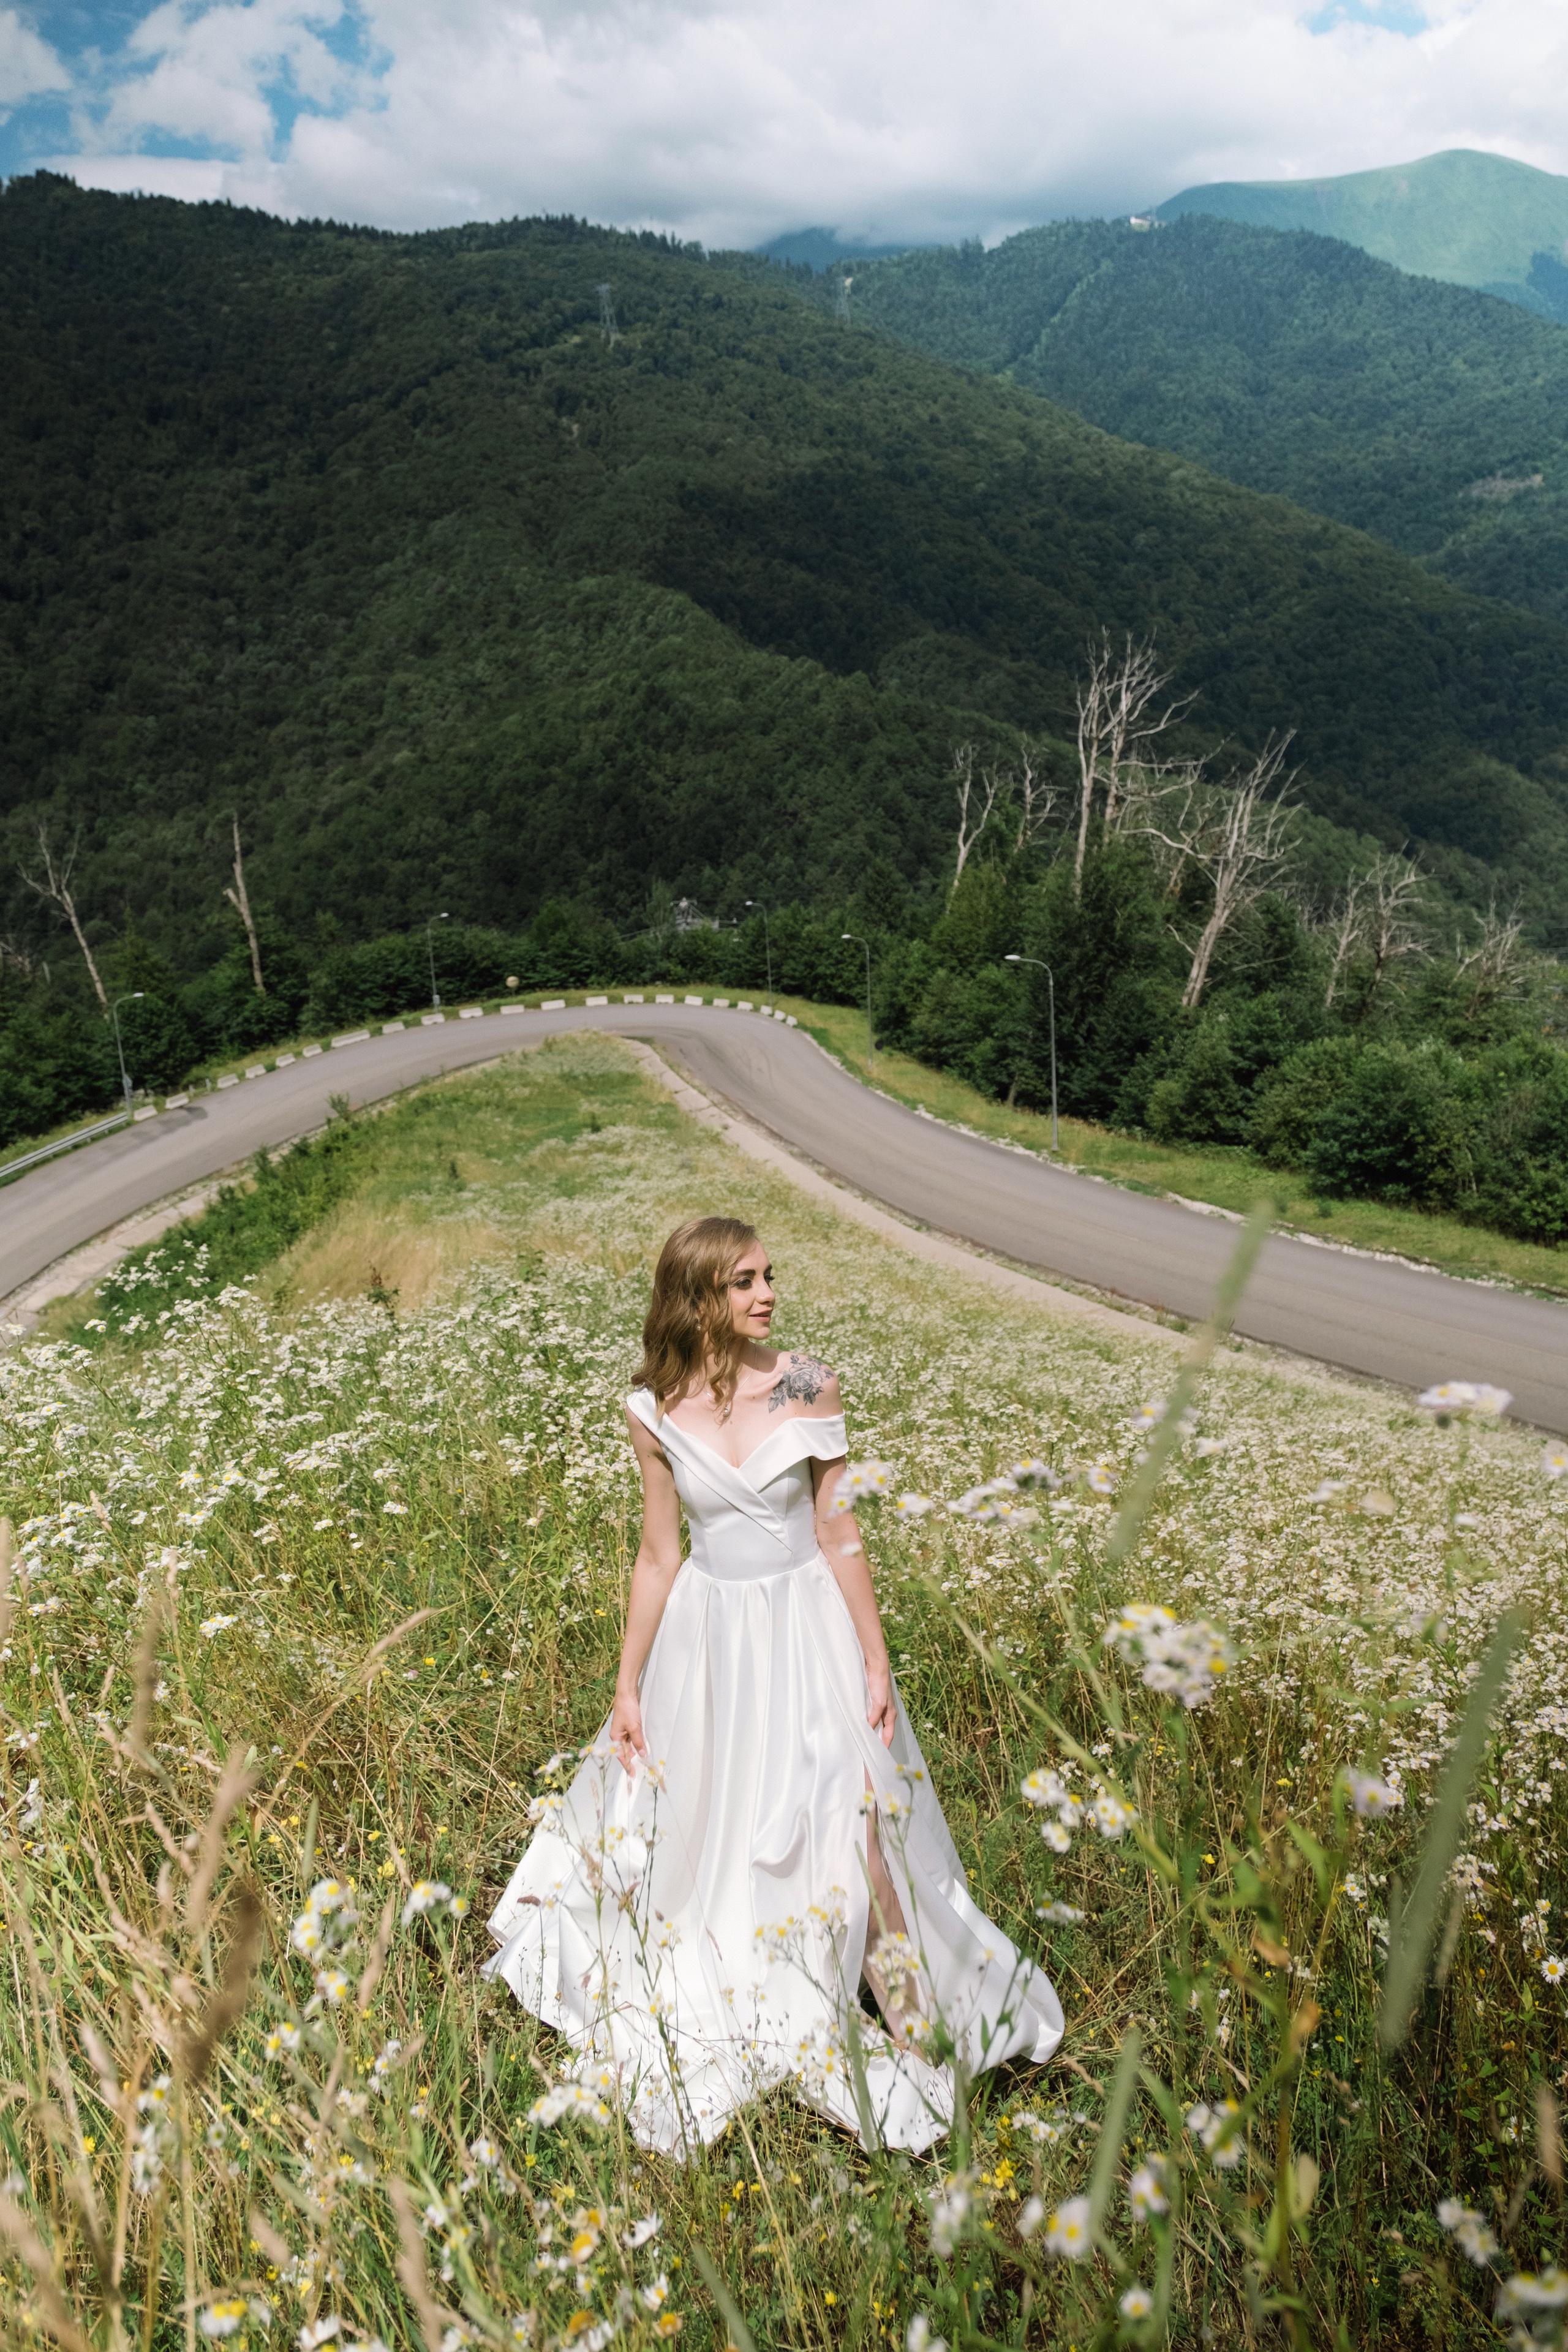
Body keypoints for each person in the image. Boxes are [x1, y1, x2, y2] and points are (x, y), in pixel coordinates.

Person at [485, 1216, 1063, 2154]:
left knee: (858, 1815)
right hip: (709, 1645)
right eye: (744, 1281)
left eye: (768, 1276)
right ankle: (757, 1975)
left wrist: (875, 1657)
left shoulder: (808, 1384)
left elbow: (842, 1533)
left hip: (809, 1632)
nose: (767, 1294)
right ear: (698, 1296)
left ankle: (918, 2028)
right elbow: (658, 1554)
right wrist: (627, 1687)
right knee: (715, 1828)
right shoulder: (654, 1409)